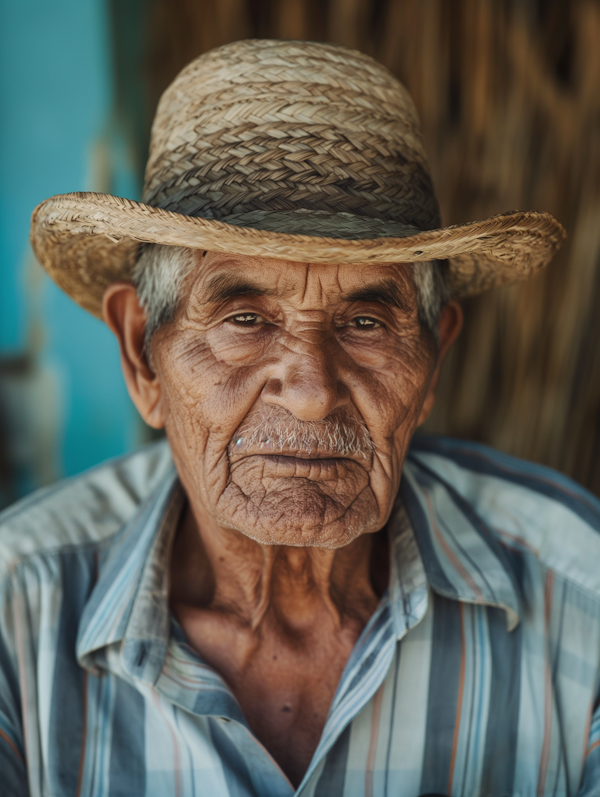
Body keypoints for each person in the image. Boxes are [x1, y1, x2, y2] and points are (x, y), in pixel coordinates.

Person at [1, 38, 597, 797]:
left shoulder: (580, 588)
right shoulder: (15, 615)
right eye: (245, 317)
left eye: (367, 323)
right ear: (141, 356)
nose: (312, 391)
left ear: (432, 364)